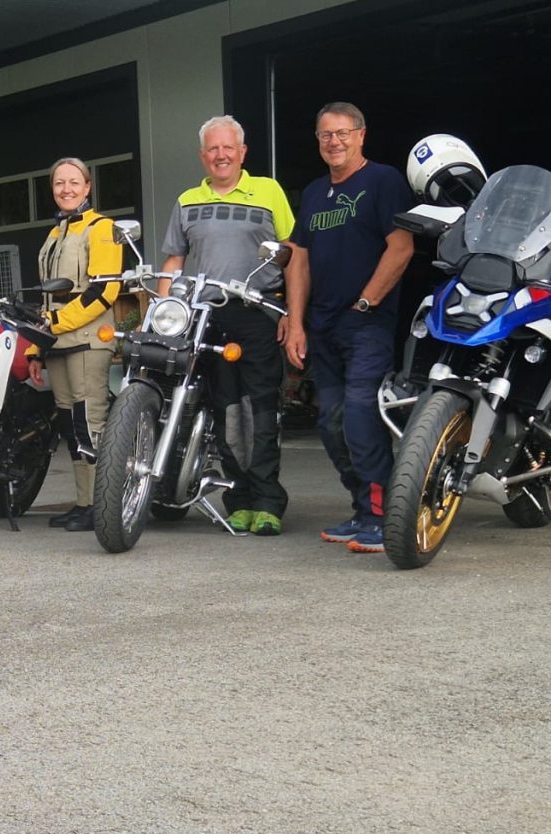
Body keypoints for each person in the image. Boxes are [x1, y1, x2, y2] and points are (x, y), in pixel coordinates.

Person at [283, 102, 415, 554]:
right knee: (331, 424)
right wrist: (295, 322)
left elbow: (401, 247)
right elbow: (299, 259)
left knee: (361, 416)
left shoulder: (383, 181)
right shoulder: (314, 193)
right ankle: (363, 508)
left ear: (361, 135)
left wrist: (366, 301)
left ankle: (383, 514)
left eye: (342, 133)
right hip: (322, 326)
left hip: (366, 325)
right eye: (326, 135)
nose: (334, 142)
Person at [158, 115, 296, 536]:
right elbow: (174, 259)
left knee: (261, 408)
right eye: (213, 149)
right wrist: (163, 312)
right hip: (208, 316)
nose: (221, 155)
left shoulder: (269, 191)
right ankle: (238, 500)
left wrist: (293, 315)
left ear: (242, 152)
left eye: (228, 147)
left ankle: (268, 502)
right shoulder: (187, 201)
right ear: (203, 156)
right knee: (225, 407)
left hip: (257, 312)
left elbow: (293, 254)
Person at [27, 158, 123, 532]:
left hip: (86, 340)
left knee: (89, 423)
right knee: (70, 425)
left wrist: (56, 324)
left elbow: (105, 291)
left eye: (73, 182)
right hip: (58, 342)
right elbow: (46, 298)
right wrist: (37, 346)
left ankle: (101, 505)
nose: (66, 189)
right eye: (59, 183)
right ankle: (84, 503)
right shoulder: (55, 233)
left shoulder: (102, 228)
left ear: (87, 187)